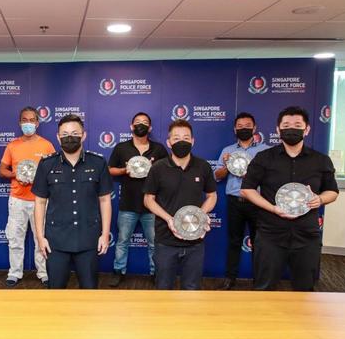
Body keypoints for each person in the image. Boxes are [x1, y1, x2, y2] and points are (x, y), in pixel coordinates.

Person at [240, 106, 339, 291]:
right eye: (286, 125)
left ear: (306, 129)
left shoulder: (321, 160)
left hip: (306, 235)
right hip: (270, 234)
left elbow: (332, 191)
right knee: (264, 288)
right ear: (278, 130)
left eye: (297, 125)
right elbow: (247, 189)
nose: (291, 129)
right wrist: (272, 208)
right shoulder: (264, 158)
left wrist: (320, 199)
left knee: (305, 289)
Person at [32, 114, 113, 289]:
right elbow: (39, 203)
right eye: (65, 134)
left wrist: (105, 234)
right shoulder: (47, 164)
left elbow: (105, 200)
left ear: (83, 135)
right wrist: (40, 237)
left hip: (88, 239)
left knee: (89, 291)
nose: (70, 137)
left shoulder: (98, 163)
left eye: (75, 133)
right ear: (58, 137)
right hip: (56, 241)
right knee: (56, 292)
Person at [143, 119, 217, 290]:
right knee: (163, 288)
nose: (181, 141)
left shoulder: (203, 166)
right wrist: (170, 219)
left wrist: (200, 214)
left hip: (195, 243)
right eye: (176, 138)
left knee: (192, 289)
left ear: (193, 141)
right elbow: (148, 200)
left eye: (186, 138)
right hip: (165, 242)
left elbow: (212, 196)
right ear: (169, 142)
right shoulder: (158, 168)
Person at [108, 112, 168, 287]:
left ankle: (156, 273)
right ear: (131, 126)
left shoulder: (159, 149)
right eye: (137, 122)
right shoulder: (121, 148)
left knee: (154, 243)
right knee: (122, 241)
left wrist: (155, 172)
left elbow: (167, 172)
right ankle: (119, 271)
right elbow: (110, 169)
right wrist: (124, 171)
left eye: (145, 122)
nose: (141, 125)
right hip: (128, 204)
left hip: (152, 206)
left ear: (150, 128)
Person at [0, 106, 55, 288]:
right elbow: (1, 170)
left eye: (31, 120)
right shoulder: (12, 145)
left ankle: (43, 273)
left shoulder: (46, 145)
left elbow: (54, 171)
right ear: (19, 123)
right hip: (17, 199)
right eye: (24, 120)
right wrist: (16, 175)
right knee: (15, 238)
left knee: (41, 238)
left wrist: (39, 178)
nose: (28, 123)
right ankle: (15, 272)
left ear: (37, 123)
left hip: (40, 200)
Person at [214, 112, 269, 290]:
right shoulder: (227, 150)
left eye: (247, 125)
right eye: (240, 126)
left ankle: (259, 280)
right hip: (234, 202)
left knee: (259, 243)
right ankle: (230, 279)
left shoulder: (264, 151)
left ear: (254, 128)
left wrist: (252, 173)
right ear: (234, 129)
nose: (244, 128)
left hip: (257, 202)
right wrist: (227, 166)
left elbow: (270, 178)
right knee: (234, 242)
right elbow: (217, 176)